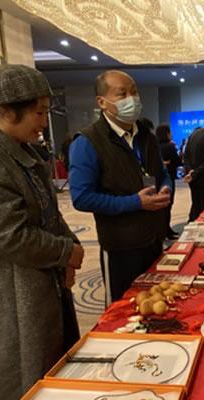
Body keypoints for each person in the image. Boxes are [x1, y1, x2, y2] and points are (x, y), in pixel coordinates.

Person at [0, 64, 84, 400]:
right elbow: (9, 236)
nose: (44, 122)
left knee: (53, 372)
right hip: (13, 292)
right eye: (39, 112)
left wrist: (71, 245)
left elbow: (49, 214)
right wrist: (65, 252)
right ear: (7, 111)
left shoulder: (18, 151)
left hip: (41, 282)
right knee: (31, 384)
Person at [69, 70, 171, 305]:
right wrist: (135, 202)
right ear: (102, 102)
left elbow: (163, 174)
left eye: (134, 92)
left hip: (154, 239)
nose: (131, 99)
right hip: (121, 247)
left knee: (156, 303)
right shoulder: (88, 141)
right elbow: (82, 198)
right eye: (122, 94)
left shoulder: (146, 135)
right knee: (123, 308)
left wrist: (166, 188)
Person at [157, 124, 182, 239]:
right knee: (168, 205)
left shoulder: (156, 146)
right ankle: (167, 231)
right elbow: (177, 162)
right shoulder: (170, 146)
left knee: (160, 207)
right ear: (166, 133)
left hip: (157, 181)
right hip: (169, 179)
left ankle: (162, 231)